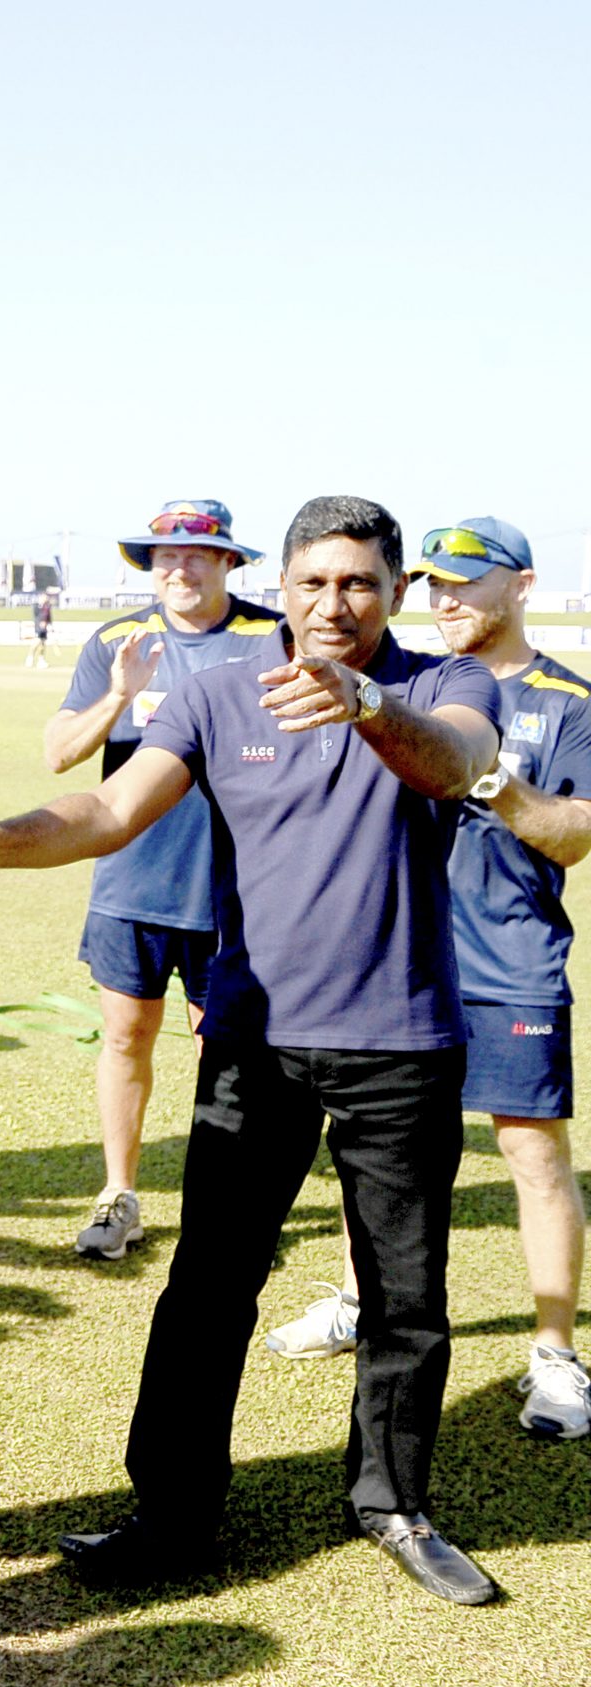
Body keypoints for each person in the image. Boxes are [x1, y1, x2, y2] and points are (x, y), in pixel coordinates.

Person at [0, 496, 506, 1605]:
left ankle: (392, 1503)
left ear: (394, 590)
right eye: (313, 582)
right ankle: (174, 1513)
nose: (334, 604)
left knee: (405, 1295)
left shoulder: (444, 683)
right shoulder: (216, 691)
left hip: (400, 1043)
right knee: (208, 1286)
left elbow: (454, 764)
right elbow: (108, 811)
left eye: (360, 583)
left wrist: (364, 703)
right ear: (279, 587)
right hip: (253, 1039)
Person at [258, 517, 589, 1440]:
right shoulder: (400, 681)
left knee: (533, 1155)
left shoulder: (566, 702)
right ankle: (357, 1300)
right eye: (435, 583)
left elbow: (573, 836)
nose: (448, 599)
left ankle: (555, 1352)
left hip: (508, 961)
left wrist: (481, 776)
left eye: (469, 581)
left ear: (521, 586)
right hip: (394, 960)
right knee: (376, 1150)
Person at [43, 501, 278, 1259]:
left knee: (227, 1055)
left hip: (236, 891)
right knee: (124, 1036)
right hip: (133, 883)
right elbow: (59, 753)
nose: (180, 569)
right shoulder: (118, 641)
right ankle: (119, 1194)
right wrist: (119, 694)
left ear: (229, 561)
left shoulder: (270, 638)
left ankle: (224, 1206)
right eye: (165, 556)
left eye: (198, 555)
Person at [28, 589, 55, 670]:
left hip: (45, 627)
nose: (45, 599)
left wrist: (50, 625)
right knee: (37, 641)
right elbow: (36, 615)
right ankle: (30, 657)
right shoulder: (37, 606)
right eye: (44, 597)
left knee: (43, 644)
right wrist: (41, 622)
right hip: (39, 626)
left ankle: (41, 660)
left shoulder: (47, 607)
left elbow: (49, 617)